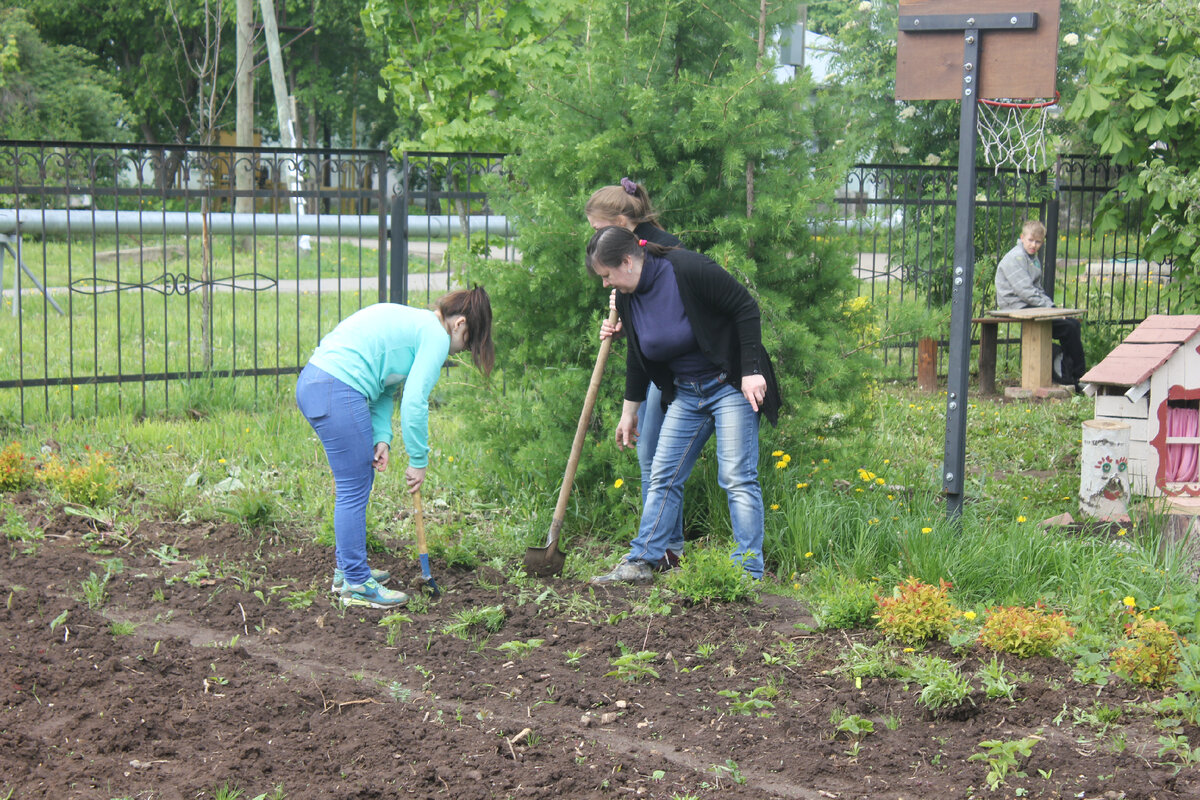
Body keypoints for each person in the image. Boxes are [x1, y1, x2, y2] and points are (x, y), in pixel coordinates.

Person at [585, 226, 780, 584]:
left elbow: (745, 308)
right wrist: (630, 411)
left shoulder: (687, 269)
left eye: (606, 275)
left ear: (627, 261)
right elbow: (637, 354)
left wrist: (751, 372)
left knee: (737, 477)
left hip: (730, 386)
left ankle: (748, 570)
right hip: (687, 394)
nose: (605, 284)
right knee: (663, 475)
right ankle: (644, 560)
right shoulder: (628, 297)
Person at [296, 288, 494, 608]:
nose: (461, 351)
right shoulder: (436, 335)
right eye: (469, 342)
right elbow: (414, 402)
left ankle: (348, 570)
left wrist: (382, 437)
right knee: (354, 485)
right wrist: (419, 460)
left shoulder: (416, 324)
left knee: (355, 482)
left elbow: (386, 384)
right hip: (338, 387)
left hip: (318, 383)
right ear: (459, 324)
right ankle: (357, 584)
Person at [585, 178, 687, 570]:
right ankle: (667, 546)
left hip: (681, 373)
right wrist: (626, 322)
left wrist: (634, 319)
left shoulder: (662, 251)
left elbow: (672, 318)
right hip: (656, 366)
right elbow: (642, 338)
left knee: (658, 461)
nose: (596, 238)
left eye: (598, 229)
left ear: (623, 221)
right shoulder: (626, 253)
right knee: (651, 458)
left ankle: (662, 550)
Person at [994, 219, 1087, 387]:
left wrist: (1052, 308)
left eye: (1038, 242)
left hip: (1027, 304)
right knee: (1069, 328)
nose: (1033, 245)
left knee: (1073, 324)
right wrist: (1051, 309)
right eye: (1030, 240)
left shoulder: (1032, 259)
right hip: (1016, 304)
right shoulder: (1016, 258)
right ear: (1022, 237)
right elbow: (1026, 291)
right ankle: (1076, 377)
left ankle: (1070, 374)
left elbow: (1037, 290)